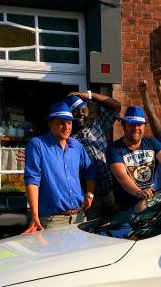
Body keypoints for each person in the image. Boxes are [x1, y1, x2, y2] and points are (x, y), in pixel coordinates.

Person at [18, 91, 121, 220]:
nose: (81, 115)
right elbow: (38, 174)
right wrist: (34, 159)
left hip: (109, 191)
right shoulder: (64, 139)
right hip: (85, 203)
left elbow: (116, 106)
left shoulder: (96, 125)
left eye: (84, 110)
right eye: (76, 112)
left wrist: (89, 95)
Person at [23, 102, 97, 233]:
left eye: (69, 123)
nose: (66, 127)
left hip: (79, 217)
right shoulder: (38, 145)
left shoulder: (76, 146)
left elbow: (91, 170)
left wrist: (89, 194)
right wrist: (34, 215)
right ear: (50, 123)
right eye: (61, 123)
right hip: (52, 220)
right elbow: (32, 180)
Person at [107, 106, 161, 207]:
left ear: (144, 126)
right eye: (131, 124)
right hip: (126, 206)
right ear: (123, 125)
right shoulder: (114, 149)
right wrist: (138, 192)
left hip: (151, 201)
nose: (136, 128)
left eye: (139, 125)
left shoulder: (151, 142)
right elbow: (121, 176)